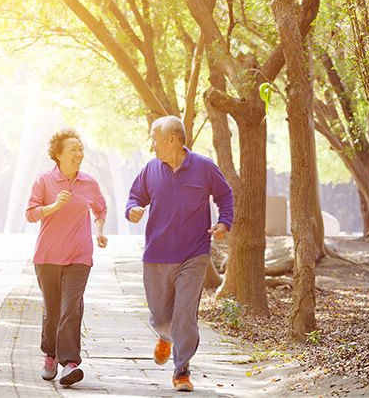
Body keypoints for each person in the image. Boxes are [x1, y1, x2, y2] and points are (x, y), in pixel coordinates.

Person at [125, 115, 234, 392]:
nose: (153, 147)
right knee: (161, 315)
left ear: (172, 139)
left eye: (156, 140)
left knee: (185, 313)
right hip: (157, 254)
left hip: (193, 254)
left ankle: (181, 369)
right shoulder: (151, 169)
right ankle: (165, 334)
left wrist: (224, 223)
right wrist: (133, 210)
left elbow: (225, 195)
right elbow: (135, 197)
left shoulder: (204, 167)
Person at [25, 128, 107, 387]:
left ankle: (70, 363)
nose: (79, 153)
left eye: (81, 149)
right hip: (48, 256)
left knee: (71, 308)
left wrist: (100, 231)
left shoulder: (89, 183)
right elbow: (31, 213)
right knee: (53, 311)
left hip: (79, 256)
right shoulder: (44, 181)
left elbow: (100, 208)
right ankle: (50, 355)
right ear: (58, 155)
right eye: (73, 149)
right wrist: (53, 206)